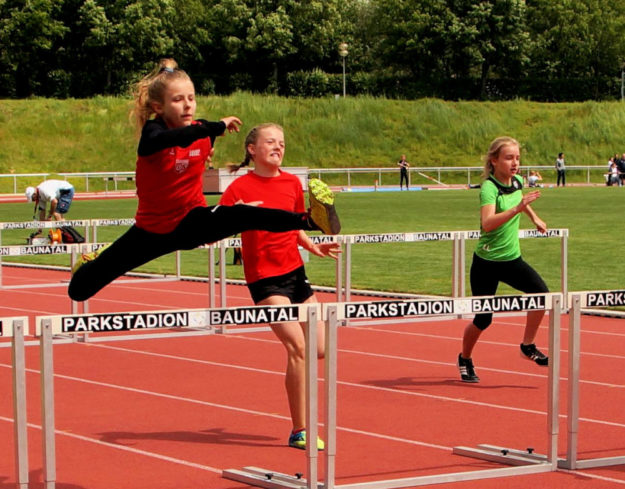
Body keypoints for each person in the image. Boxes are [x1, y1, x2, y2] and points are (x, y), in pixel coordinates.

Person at [68, 59, 340, 302]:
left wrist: (209, 137)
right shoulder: (154, 133)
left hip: (191, 221)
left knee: (244, 214)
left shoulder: (202, 131)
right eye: (178, 100)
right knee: (79, 291)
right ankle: (94, 260)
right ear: (158, 107)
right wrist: (215, 127)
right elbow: (172, 139)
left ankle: (311, 220)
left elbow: (195, 147)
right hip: (151, 231)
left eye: (191, 98)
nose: (187, 105)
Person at [220, 123, 341, 450]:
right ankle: (300, 429)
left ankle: (298, 418)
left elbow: (294, 223)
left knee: (320, 348)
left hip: (295, 272)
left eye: (282, 143)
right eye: (270, 142)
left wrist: (311, 244)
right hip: (264, 279)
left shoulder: (291, 183)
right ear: (252, 149)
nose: (278, 147)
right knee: (297, 347)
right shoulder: (239, 189)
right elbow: (219, 223)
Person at [457, 137, 550, 383]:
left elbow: (520, 200)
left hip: (511, 260)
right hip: (486, 262)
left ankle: (527, 345)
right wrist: (518, 209)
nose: (515, 162)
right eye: (509, 158)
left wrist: (534, 217)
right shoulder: (489, 188)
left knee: (542, 295)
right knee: (483, 319)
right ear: (494, 160)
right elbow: (487, 224)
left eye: (517, 158)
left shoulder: (517, 181)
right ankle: (465, 358)